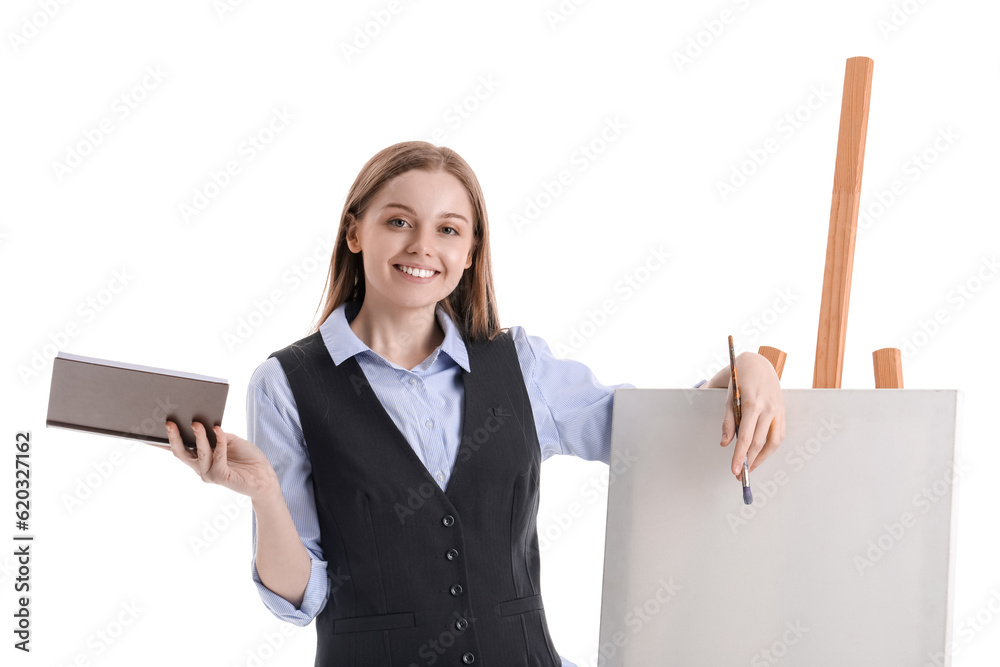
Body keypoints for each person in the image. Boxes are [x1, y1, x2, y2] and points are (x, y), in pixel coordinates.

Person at [162, 141, 785, 666]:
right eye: (398, 221)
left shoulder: (520, 365)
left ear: (470, 249)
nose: (422, 247)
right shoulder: (286, 384)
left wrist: (741, 373)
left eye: (448, 229)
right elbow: (300, 598)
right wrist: (266, 493)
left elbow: (646, 434)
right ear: (355, 230)